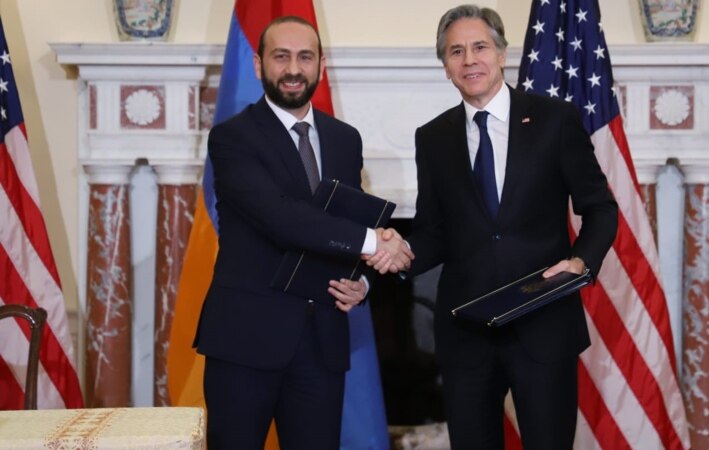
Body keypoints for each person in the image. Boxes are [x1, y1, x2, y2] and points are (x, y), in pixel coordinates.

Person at [368, 5, 618, 449]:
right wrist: (399, 250)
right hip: (467, 334)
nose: (469, 60)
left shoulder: (554, 119)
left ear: (502, 54)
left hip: (543, 326)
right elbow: (434, 232)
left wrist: (580, 262)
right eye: (456, 51)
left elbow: (600, 208)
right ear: (445, 67)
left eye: (480, 47)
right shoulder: (433, 137)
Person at [193, 16, 412, 450]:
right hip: (245, 342)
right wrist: (376, 242)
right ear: (258, 65)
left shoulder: (345, 139)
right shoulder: (232, 138)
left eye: (305, 57)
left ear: (321, 66)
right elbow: (281, 219)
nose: (294, 69)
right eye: (281, 56)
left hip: (321, 344)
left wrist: (362, 282)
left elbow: (342, 222)